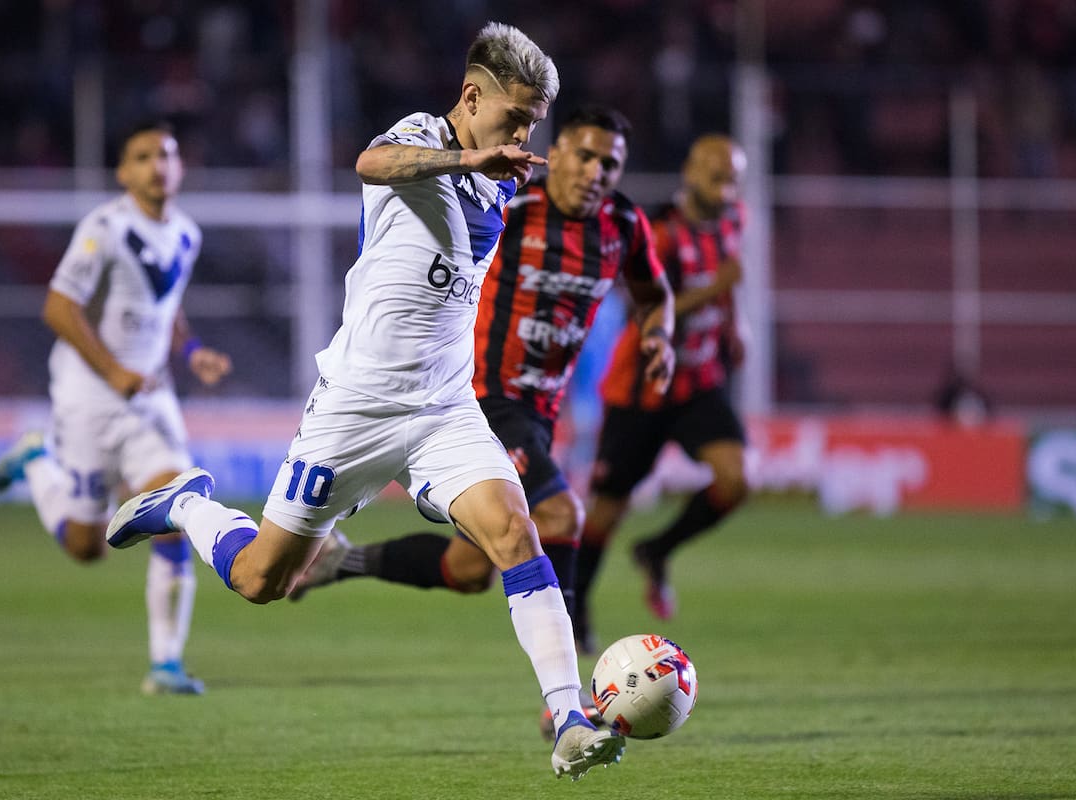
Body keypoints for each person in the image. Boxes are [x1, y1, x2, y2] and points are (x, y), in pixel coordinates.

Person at [104, 23, 624, 781]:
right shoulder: (426, 136)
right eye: (514, 119)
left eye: (531, 125)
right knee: (260, 582)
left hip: (445, 409)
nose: (522, 137)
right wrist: (466, 154)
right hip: (355, 407)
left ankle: (570, 719)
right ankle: (187, 505)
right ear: (472, 98)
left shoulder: (504, 172)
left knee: (516, 533)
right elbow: (371, 161)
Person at [290, 106, 675, 667]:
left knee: (469, 571)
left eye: (609, 164)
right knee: (562, 515)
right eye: (585, 156)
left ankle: (338, 563)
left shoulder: (623, 225)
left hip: (540, 412)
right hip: (480, 397)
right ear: (558, 152)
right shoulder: (512, 204)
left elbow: (654, 292)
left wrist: (659, 337)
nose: (595, 172)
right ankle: (569, 687)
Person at [0, 120, 232, 694]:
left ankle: (166, 663)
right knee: (85, 546)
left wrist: (191, 351)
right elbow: (57, 307)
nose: (157, 165)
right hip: (88, 398)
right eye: (143, 156)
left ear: (180, 167)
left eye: (166, 155)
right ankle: (35, 461)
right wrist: (113, 371)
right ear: (124, 172)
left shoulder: (186, 235)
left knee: (179, 506)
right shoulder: (104, 228)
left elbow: (165, 304)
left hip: (149, 400)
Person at [576, 134, 751, 625]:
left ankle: (657, 550)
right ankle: (575, 606)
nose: (725, 191)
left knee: (735, 479)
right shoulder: (661, 233)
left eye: (733, 181)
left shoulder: (735, 221)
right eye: (717, 178)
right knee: (607, 512)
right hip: (642, 386)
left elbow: (728, 282)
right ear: (691, 174)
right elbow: (642, 308)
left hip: (697, 381)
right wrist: (717, 289)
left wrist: (736, 327)